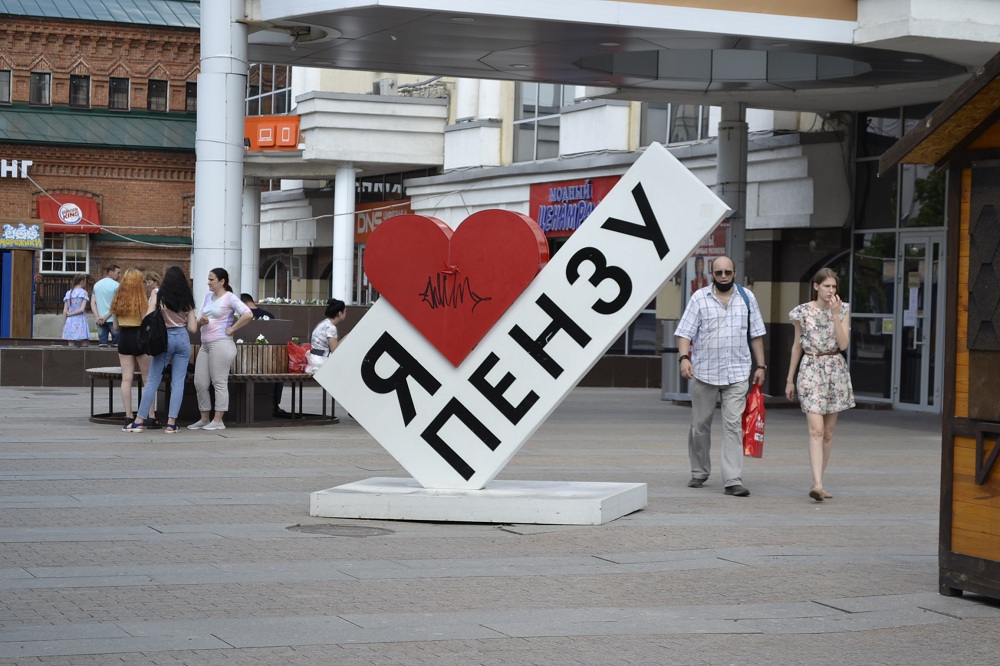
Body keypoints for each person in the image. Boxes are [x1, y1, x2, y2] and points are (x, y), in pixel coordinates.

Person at [676, 255, 767, 497]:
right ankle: (699, 471)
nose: (724, 276)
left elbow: (756, 334)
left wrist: (761, 366)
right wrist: (684, 358)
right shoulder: (699, 298)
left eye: (728, 272)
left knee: (733, 426)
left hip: (737, 373)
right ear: (712, 274)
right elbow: (685, 333)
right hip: (704, 373)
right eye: (719, 273)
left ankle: (733, 479)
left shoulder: (747, 298)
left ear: (735, 272)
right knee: (699, 426)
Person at [785, 267, 856, 502]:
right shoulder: (802, 312)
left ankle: (820, 482)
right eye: (827, 286)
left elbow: (844, 344)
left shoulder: (843, 309)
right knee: (816, 429)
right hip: (811, 368)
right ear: (816, 287)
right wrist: (789, 379)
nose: (831, 290)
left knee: (828, 432)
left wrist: (835, 314)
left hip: (834, 368)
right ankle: (816, 483)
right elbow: (797, 346)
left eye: (834, 286)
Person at [123, 267, 199, 434]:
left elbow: (148, 317)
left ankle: (139, 421)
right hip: (183, 339)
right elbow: (193, 328)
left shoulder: (158, 294)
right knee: (178, 382)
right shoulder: (187, 298)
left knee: (152, 380)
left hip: (164, 339)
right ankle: (171, 424)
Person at [188, 268, 253, 431]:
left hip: (221, 343)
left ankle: (218, 420)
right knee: (200, 382)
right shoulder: (207, 297)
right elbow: (197, 319)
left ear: (222, 281)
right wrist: (200, 321)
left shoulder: (229, 298)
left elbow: (248, 314)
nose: (208, 282)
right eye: (208, 279)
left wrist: (232, 328)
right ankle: (204, 418)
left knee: (219, 381)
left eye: (212, 279)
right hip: (206, 344)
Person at [110, 269, 152, 424]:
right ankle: (150, 415)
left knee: (126, 379)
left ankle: (128, 415)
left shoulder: (117, 301)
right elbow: (145, 323)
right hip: (139, 339)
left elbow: (115, 327)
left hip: (124, 339)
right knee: (147, 379)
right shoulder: (141, 301)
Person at [240, 293, 286, 416]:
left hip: (244, 360)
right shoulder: (269, 315)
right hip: (268, 359)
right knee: (278, 377)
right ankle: (274, 405)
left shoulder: (241, 316)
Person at [305, 299, 347, 374]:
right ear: (340, 313)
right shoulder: (331, 328)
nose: (346, 314)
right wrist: (346, 338)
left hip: (314, 359)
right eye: (345, 311)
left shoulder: (323, 323)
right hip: (321, 361)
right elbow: (335, 351)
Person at [90, 264, 122, 347]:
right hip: (113, 319)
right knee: (117, 345)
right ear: (110, 272)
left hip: (99, 320)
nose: (120, 275)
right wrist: (106, 317)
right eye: (118, 273)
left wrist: (97, 317)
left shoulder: (96, 285)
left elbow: (93, 303)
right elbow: (116, 304)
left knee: (102, 345)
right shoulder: (116, 285)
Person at [61, 273, 91, 347]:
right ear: (81, 281)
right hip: (80, 320)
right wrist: (71, 314)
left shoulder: (68, 293)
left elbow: (65, 311)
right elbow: (82, 309)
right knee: (84, 342)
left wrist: (64, 323)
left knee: (71, 342)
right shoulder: (84, 293)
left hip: (70, 321)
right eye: (85, 281)